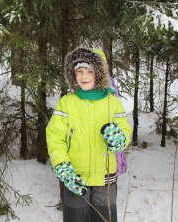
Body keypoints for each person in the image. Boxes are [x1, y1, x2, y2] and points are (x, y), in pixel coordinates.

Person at [46, 48, 132, 222]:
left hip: (105, 177)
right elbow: (55, 136)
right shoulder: (66, 103)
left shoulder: (112, 103)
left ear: (99, 74)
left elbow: (125, 131)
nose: (84, 76)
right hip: (75, 177)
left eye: (89, 71)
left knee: (104, 218)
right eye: (79, 71)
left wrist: (118, 139)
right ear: (73, 74)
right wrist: (62, 165)